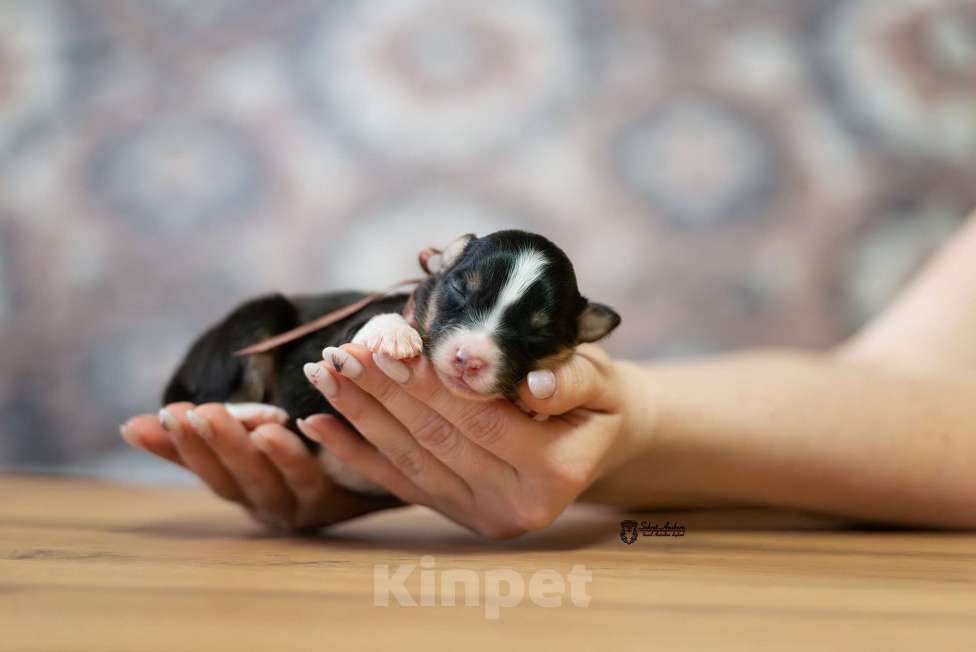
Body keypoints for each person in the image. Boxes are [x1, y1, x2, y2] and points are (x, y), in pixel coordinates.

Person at [121, 210, 976, 537]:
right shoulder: (392, 322)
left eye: (521, 335)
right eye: (467, 299)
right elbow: (894, 378)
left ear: (571, 342)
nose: (473, 345)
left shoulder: (546, 359)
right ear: (443, 270)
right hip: (275, 390)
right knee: (252, 342)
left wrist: (626, 418)